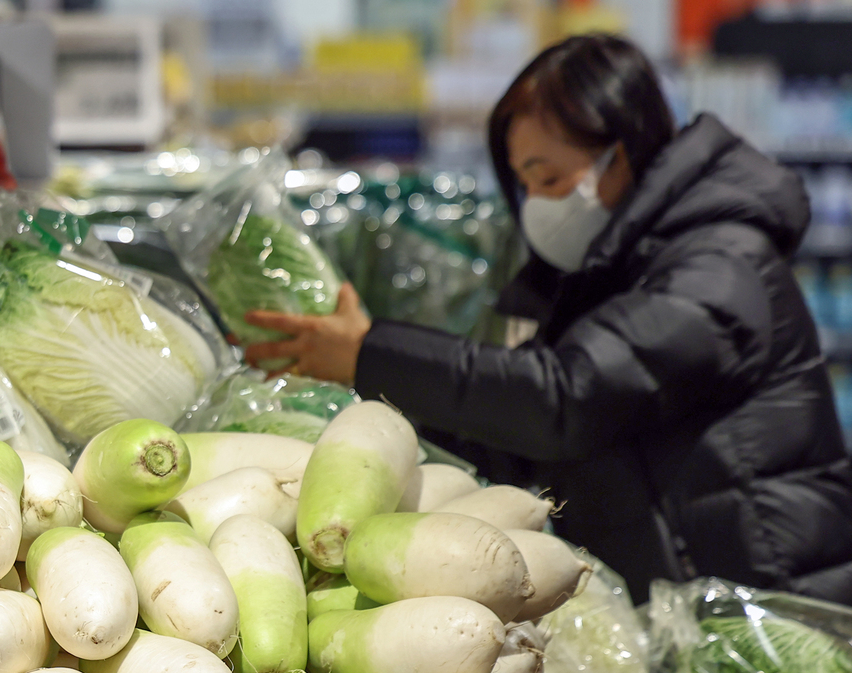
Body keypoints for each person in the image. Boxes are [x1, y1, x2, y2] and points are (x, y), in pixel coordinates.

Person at [244, 33, 852, 604]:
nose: (537, 205)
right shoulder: (605, 274)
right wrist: (373, 405)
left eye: (552, 178)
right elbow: (524, 447)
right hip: (695, 608)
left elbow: (566, 397)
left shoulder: (718, 266)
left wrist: (373, 353)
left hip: (774, 612)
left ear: (626, 154)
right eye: (525, 183)